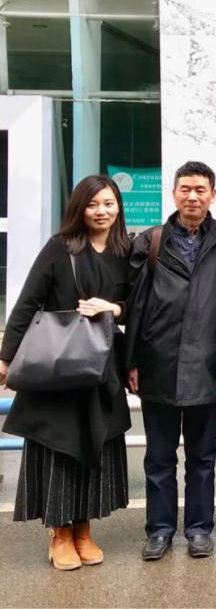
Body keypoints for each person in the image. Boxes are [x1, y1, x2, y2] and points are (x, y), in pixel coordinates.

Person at [0, 176, 132, 571]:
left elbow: (138, 302)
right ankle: (59, 533)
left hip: (102, 368)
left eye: (108, 203)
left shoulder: (124, 251)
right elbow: (28, 302)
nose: (102, 211)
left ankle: (83, 530)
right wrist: (5, 358)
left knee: (95, 445)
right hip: (58, 367)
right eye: (93, 204)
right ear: (79, 208)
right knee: (61, 446)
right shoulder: (61, 248)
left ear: (118, 206)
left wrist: (115, 308)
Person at [125, 161, 216, 560]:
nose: (192, 197)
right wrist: (132, 361)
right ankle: (159, 530)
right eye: (185, 189)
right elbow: (136, 306)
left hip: (206, 365)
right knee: (158, 457)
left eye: (200, 190)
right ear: (173, 193)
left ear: (213, 195)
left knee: (203, 457)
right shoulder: (150, 242)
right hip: (157, 364)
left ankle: (199, 528)